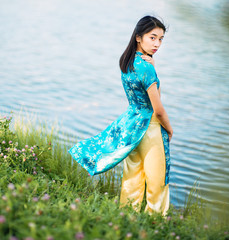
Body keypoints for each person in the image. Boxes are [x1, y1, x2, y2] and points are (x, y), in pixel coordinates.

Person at [68, 16, 172, 216]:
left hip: (133, 125)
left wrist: (154, 67)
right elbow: (157, 108)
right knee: (157, 179)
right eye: (153, 38)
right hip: (150, 127)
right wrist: (169, 129)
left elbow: (141, 96)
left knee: (132, 175)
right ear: (139, 37)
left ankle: (127, 216)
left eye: (160, 39)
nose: (157, 43)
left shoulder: (128, 62)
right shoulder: (147, 67)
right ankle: (156, 221)